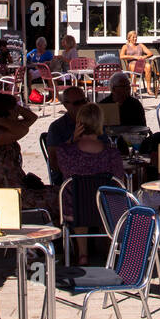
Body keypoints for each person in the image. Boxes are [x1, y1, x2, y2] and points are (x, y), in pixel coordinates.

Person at [55, 103, 124, 265]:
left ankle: (82, 254)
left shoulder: (66, 152)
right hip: (104, 209)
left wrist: (72, 138)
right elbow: (119, 180)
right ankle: (110, 249)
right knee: (109, 197)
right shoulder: (111, 154)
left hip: (76, 209)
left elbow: (60, 168)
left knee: (77, 199)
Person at [0, 92, 56, 216]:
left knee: (65, 192)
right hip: (15, 193)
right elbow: (24, 129)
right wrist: (1, 120)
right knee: (63, 197)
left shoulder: (8, 129)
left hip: (22, 186)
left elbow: (32, 117)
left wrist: (14, 108)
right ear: (8, 111)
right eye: (14, 109)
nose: (18, 112)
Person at [44, 86, 87, 186]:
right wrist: (72, 140)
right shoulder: (56, 127)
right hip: (68, 180)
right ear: (65, 105)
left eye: (84, 101)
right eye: (76, 103)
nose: (81, 106)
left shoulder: (94, 122)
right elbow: (54, 163)